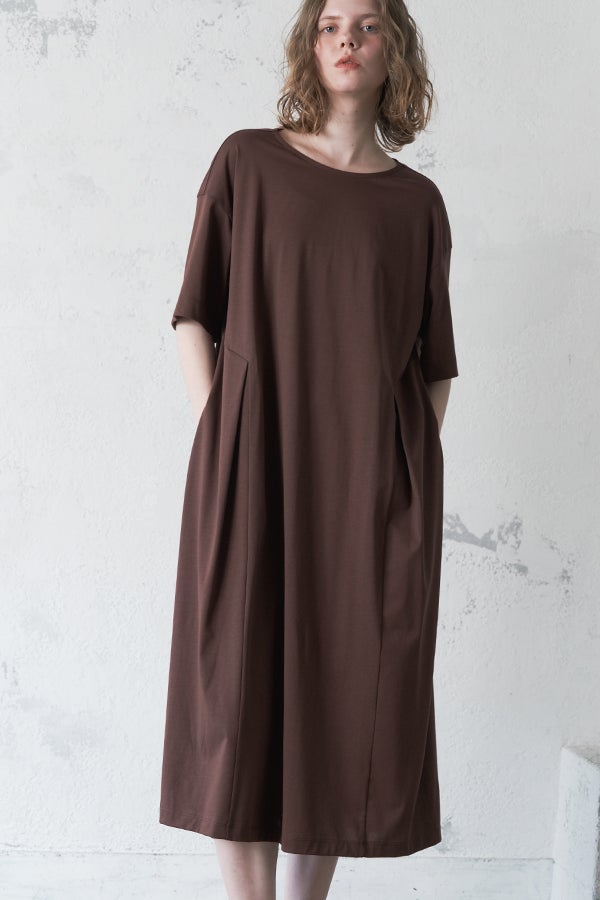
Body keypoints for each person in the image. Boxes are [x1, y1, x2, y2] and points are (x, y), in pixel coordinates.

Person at [159, 0, 459, 897]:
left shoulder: (415, 204)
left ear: (395, 48)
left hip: (364, 496)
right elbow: (193, 314)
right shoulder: (248, 162)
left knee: (342, 697)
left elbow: (434, 367)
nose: (346, 40)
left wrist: (392, 475)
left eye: (366, 25)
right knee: (236, 693)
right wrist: (223, 434)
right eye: (330, 25)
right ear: (309, 45)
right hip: (251, 470)